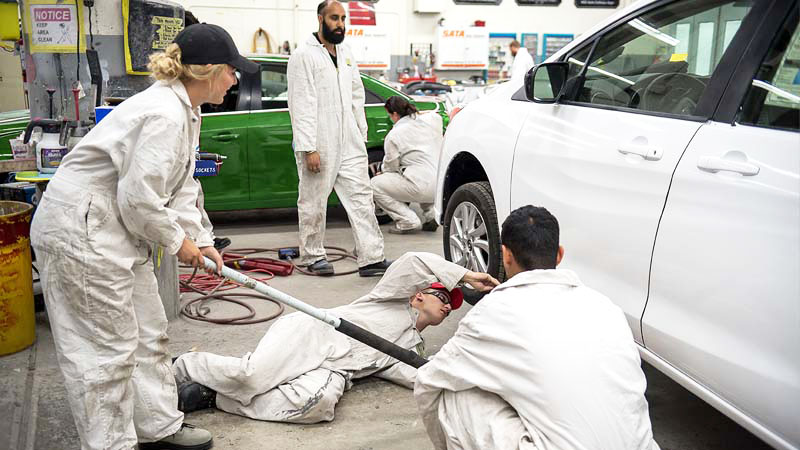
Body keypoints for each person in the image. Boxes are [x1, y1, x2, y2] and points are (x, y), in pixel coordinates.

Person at [30, 24, 258, 450]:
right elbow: (138, 199)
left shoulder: (186, 110)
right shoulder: (163, 115)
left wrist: (202, 238)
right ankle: (111, 444)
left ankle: (158, 427)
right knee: (104, 351)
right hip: (84, 233)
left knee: (148, 332)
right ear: (207, 71)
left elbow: (183, 184)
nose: (235, 80)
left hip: (117, 229)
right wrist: (178, 241)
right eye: (231, 71)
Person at [414, 205, 660, 450]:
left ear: (505, 255)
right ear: (559, 255)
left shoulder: (493, 310)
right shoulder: (605, 306)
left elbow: (430, 381)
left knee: (451, 391)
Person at [172, 252, 499, 424]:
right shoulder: (389, 299)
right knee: (252, 376)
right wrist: (466, 276)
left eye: (451, 307)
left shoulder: (412, 349)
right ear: (417, 296)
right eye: (443, 297)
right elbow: (412, 262)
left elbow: (423, 378)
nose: (447, 306)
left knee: (318, 406)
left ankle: (213, 397)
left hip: (334, 370)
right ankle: (183, 366)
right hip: (314, 333)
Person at [287, 0, 390, 277]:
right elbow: (301, 103)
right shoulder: (303, 55)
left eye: (343, 18)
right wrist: (309, 147)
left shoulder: (345, 52)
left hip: (350, 140)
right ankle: (312, 255)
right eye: (334, 18)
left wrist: (361, 131)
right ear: (320, 19)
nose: (340, 24)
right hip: (320, 141)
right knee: (313, 200)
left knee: (362, 198)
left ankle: (371, 258)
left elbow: (357, 93)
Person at [371, 96, 442, 234]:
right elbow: (435, 115)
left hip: (420, 187)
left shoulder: (394, 135)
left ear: (395, 114)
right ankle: (431, 215)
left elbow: (391, 165)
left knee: (374, 184)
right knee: (422, 170)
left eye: (389, 115)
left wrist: (383, 171)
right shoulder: (431, 121)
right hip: (440, 186)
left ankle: (407, 220)